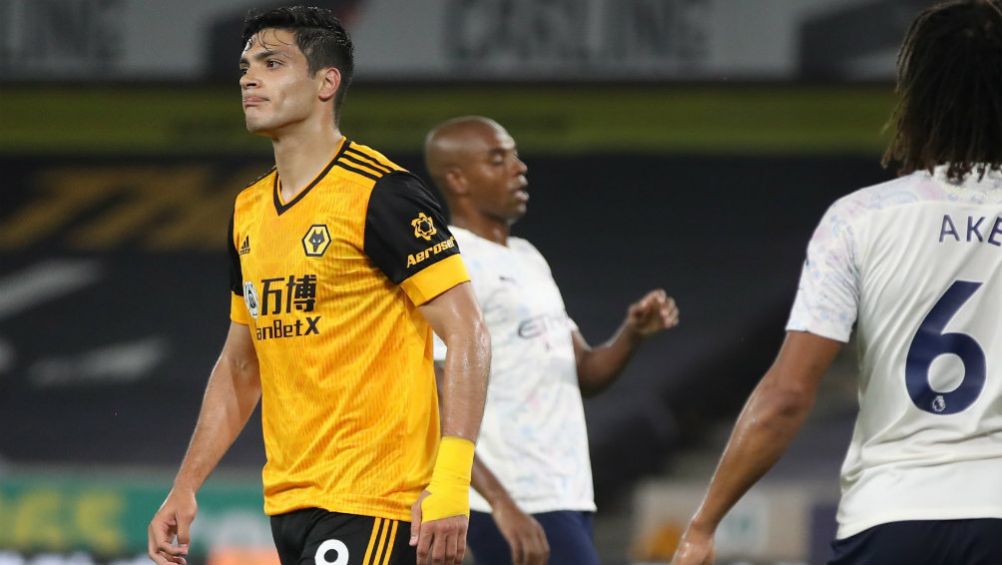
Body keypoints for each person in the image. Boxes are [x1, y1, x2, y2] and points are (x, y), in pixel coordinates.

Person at [147, 7, 490, 565]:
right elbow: (241, 364)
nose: (249, 79)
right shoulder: (248, 210)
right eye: (245, 67)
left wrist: (451, 482)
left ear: (326, 82)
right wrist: (185, 485)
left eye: (272, 63)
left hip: (375, 500)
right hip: (290, 503)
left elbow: (469, 331)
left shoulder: (382, 194)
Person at [673, 2, 1002, 564]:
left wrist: (703, 526)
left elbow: (786, 395)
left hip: (891, 517)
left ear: (918, 94)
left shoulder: (858, 219)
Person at [424, 116, 680, 565]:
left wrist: (632, 334)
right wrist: (502, 505)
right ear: (458, 179)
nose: (519, 168)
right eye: (498, 159)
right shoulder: (451, 261)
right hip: (508, 502)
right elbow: (437, 395)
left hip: (565, 492)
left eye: (515, 156)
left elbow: (585, 373)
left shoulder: (529, 257)